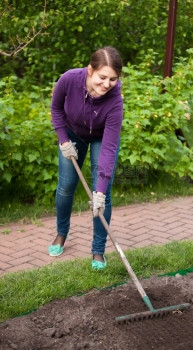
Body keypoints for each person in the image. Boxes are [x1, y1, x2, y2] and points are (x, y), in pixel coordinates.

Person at [48, 46, 123, 271]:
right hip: (72, 134)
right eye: (102, 77)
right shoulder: (70, 79)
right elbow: (56, 108)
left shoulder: (115, 101)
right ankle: (62, 233)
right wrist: (63, 140)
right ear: (91, 70)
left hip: (101, 139)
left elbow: (109, 148)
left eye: (113, 79)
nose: (107, 84)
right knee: (66, 186)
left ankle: (98, 250)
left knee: (104, 195)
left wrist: (99, 191)